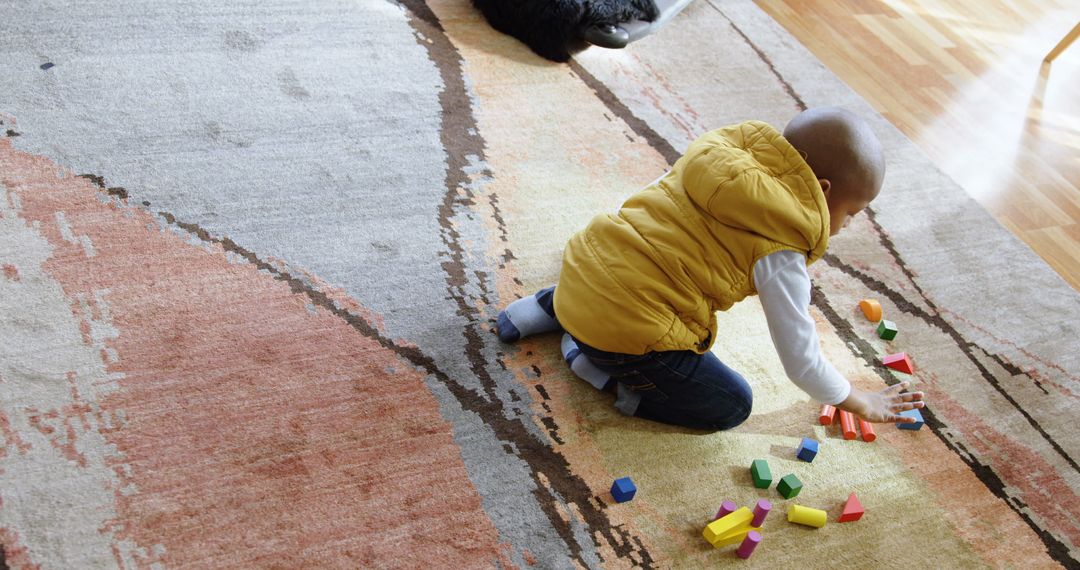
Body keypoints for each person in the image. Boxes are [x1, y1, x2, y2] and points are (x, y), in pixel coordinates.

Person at [495, 107, 926, 431]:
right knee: (730, 404)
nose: (845, 226)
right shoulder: (783, 247)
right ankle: (599, 371)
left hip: (586, 262)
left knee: (627, 263)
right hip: (621, 335)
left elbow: (636, 217)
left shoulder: (716, 158)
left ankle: (548, 306)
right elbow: (801, 360)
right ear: (823, 191)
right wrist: (858, 402)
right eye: (850, 213)